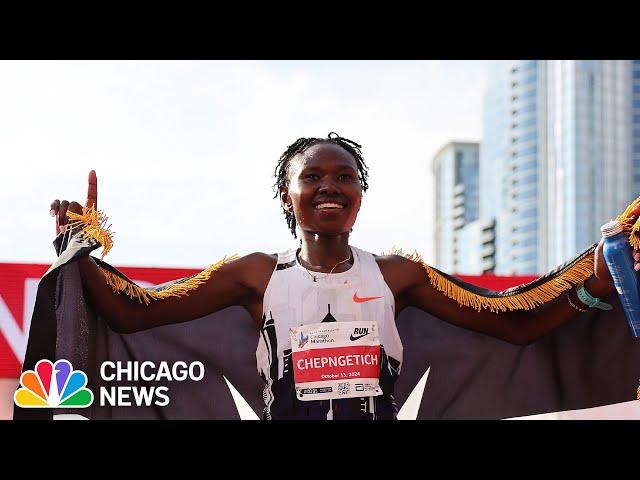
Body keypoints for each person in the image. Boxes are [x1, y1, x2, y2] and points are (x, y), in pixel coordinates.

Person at [48, 132, 640, 420]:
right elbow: (135, 314)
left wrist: (596, 275)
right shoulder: (255, 276)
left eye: (345, 177)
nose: (329, 186)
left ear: (360, 195)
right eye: (313, 177)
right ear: (290, 193)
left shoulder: (399, 277)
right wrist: (79, 245)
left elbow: (515, 323)